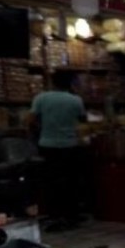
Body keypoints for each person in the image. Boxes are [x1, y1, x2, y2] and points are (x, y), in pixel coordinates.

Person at [29, 72, 86, 232]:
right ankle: (71, 215)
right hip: (70, 145)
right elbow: (82, 121)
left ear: (51, 82)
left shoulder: (41, 98)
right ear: (71, 83)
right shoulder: (76, 100)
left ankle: (55, 216)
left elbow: (30, 119)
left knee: (52, 183)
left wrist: (39, 129)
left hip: (48, 145)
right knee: (71, 181)